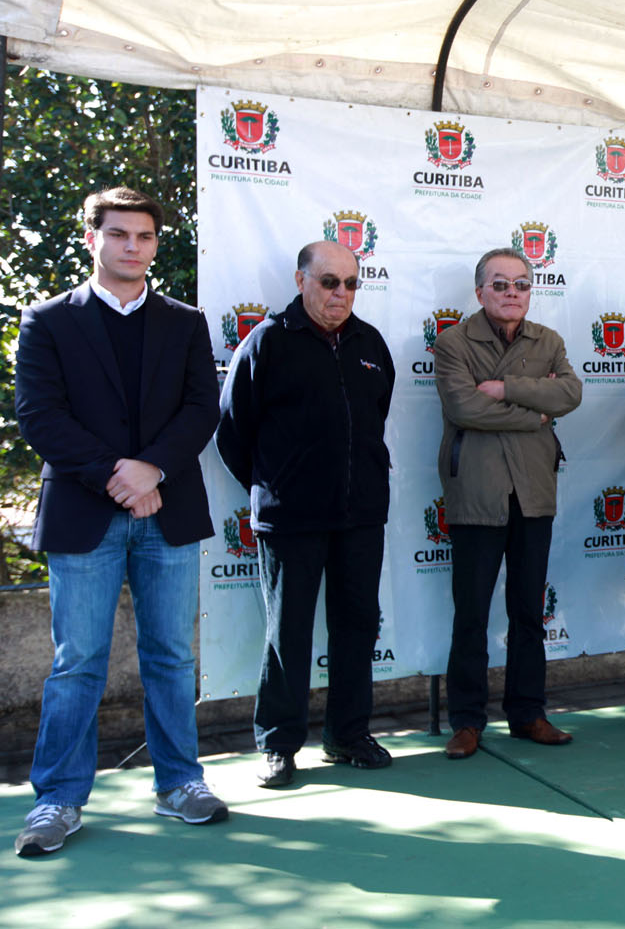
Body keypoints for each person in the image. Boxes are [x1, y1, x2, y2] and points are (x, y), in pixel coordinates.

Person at [14, 187, 227, 857]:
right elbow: (39, 416)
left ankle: (179, 784)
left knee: (171, 654)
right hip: (87, 510)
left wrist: (153, 469)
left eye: (143, 236)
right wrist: (119, 473)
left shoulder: (186, 321)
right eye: (118, 234)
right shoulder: (46, 320)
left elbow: (202, 407)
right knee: (78, 660)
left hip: (166, 509)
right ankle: (58, 798)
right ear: (92, 239)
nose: (132, 245)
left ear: (155, 244)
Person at [217, 241, 396, 788]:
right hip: (291, 517)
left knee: (357, 626)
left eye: (350, 283)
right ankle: (278, 743)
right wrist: (277, 485)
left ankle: (347, 734)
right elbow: (232, 433)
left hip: (361, 514)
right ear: (301, 281)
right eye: (328, 282)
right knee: (288, 631)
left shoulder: (370, 343)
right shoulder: (267, 342)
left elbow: (374, 420)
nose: (340, 293)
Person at [433, 248, 583, 759]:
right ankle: (467, 722)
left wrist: (505, 388)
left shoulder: (550, 340)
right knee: (471, 613)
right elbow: (463, 406)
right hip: (477, 492)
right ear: (480, 292)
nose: (512, 293)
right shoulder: (453, 342)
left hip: (533, 491)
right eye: (500, 285)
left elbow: (568, 394)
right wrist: (532, 412)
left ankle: (527, 713)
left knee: (526, 611)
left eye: (521, 284)